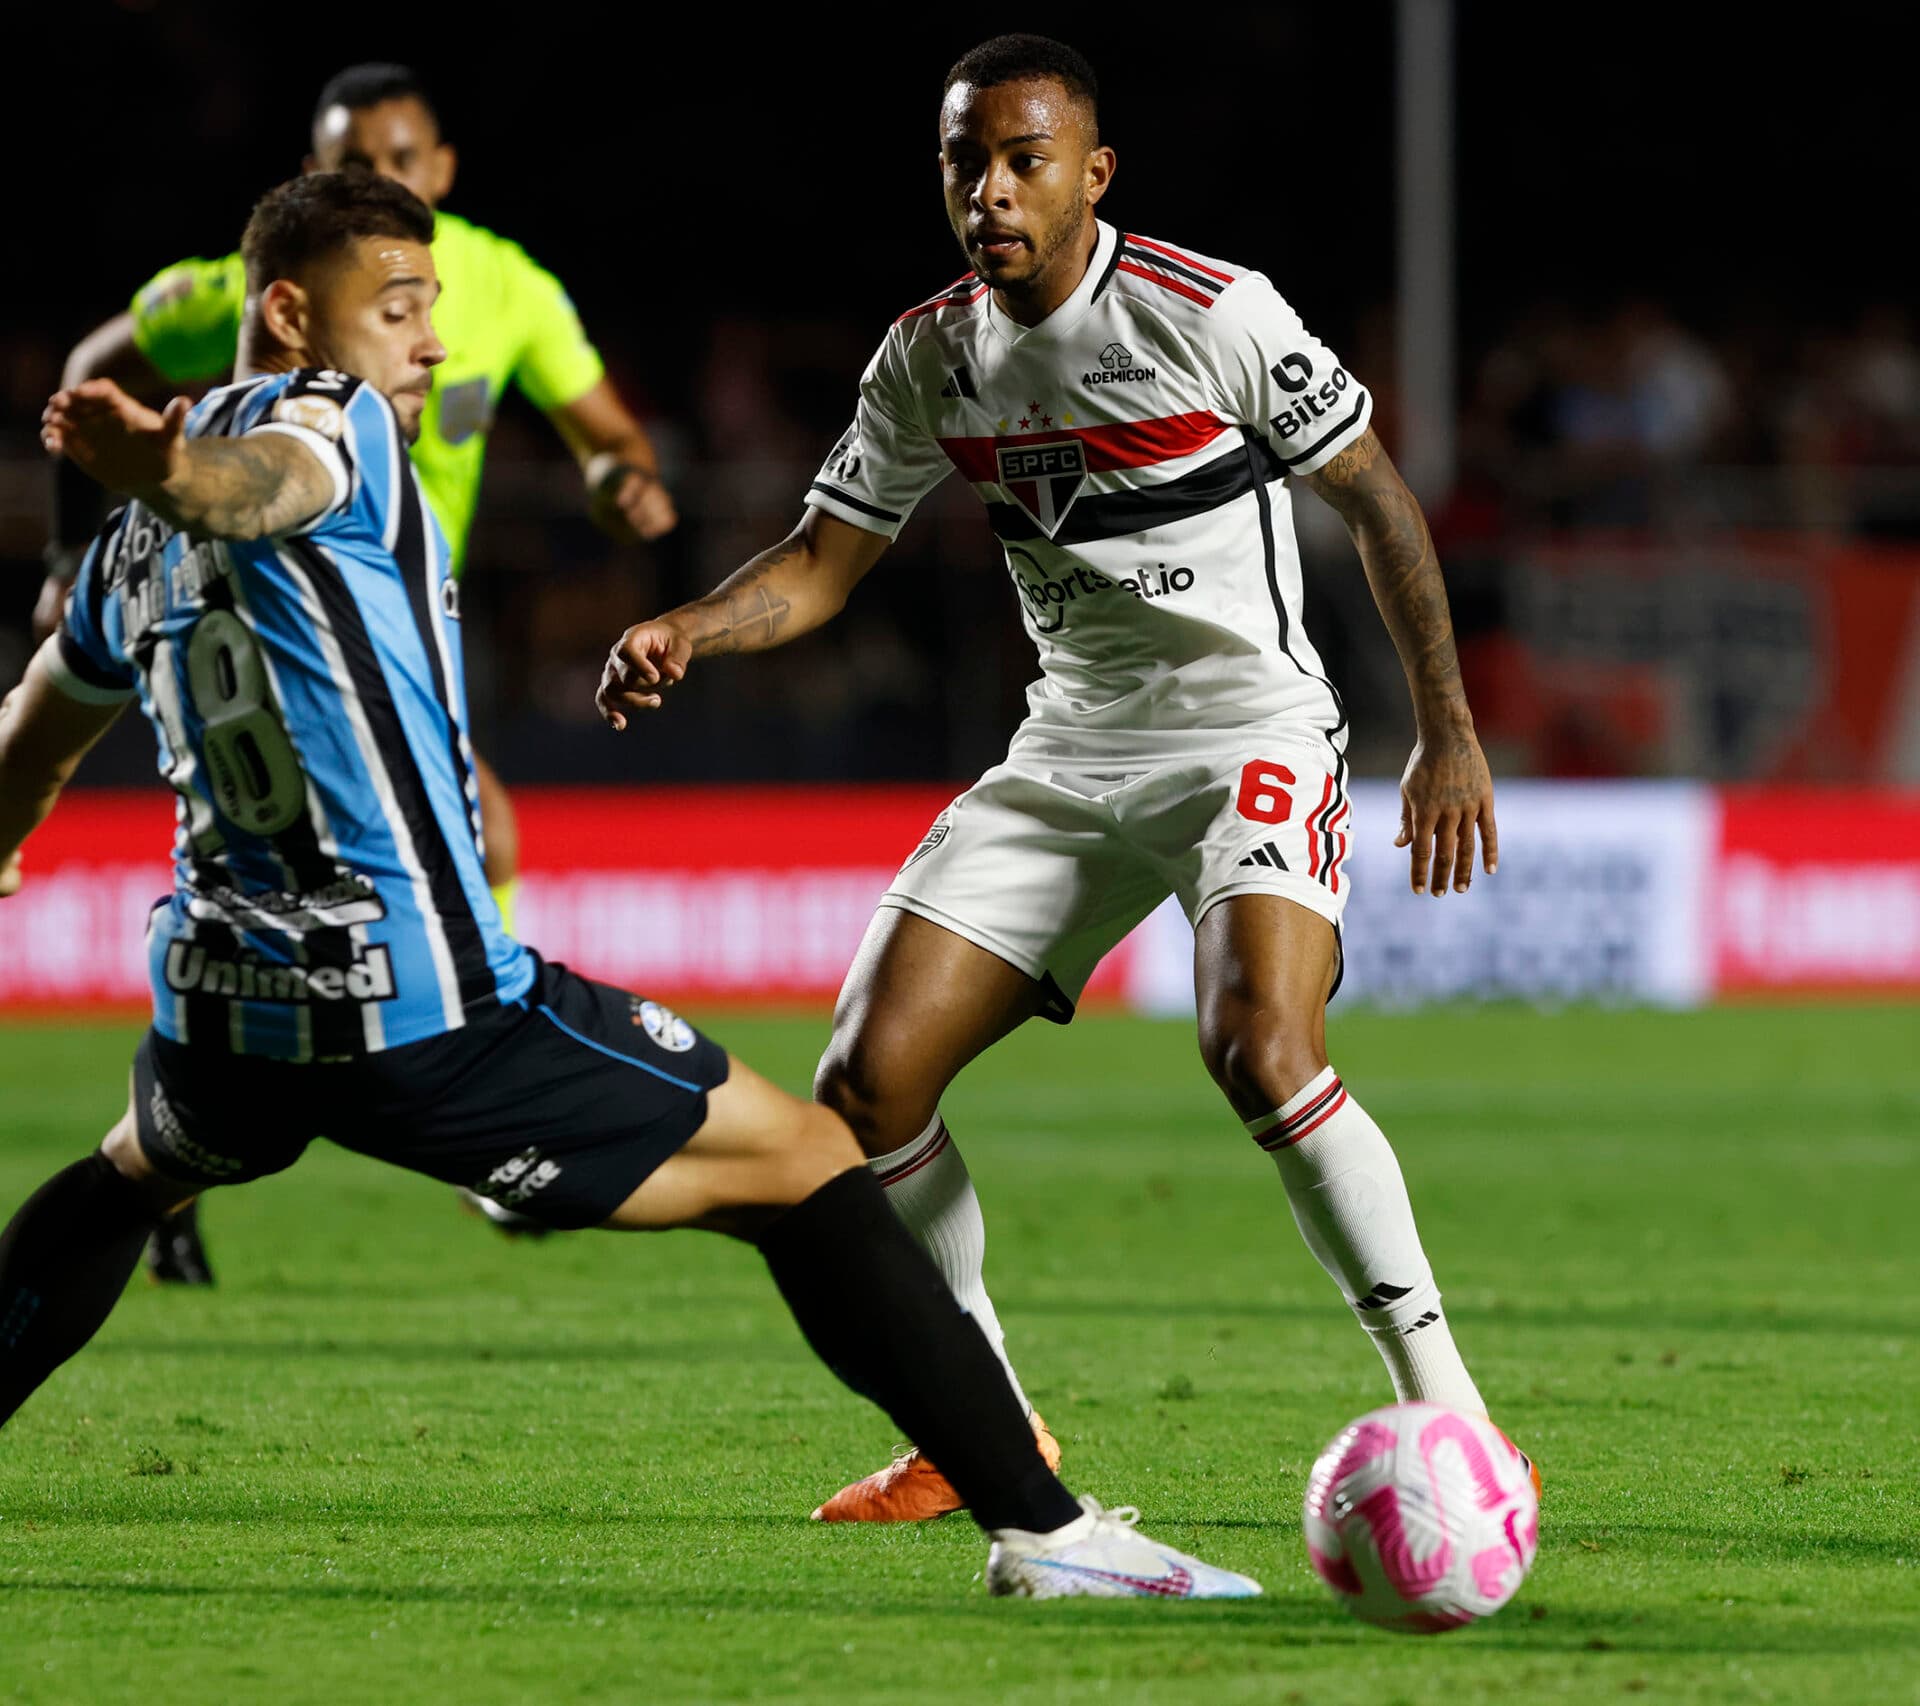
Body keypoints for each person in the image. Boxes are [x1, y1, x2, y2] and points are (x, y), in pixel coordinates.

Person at [0, 169, 1257, 1602]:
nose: (430, 348)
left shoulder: (117, 554)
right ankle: (1044, 1530)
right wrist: (177, 470)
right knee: (811, 1167)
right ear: (291, 316)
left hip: (223, 1007)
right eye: (398, 312)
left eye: (436, 314)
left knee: (135, 1171)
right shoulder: (325, 422)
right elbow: (266, 481)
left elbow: (28, 742)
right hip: (415, 1002)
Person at [598, 34, 1537, 1523]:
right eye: (963, 161)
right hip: (1072, 748)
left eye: (1022, 159)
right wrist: (692, 626)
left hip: (1249, 733)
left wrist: (1449, 726)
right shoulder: (928, 355)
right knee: (867, 1081)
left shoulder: (1209, 311)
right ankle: (993, 1424)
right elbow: (829, 559)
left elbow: (1375, 496)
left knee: (1260, 1049)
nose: (988, 191)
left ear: (1093, 174)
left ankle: (1458, 1420)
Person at [43, 62, 676, 1281]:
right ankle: (480, 1122)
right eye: (353, 156)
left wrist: (618, 481)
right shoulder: (268, 283)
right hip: (290, 615)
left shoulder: (505, 289)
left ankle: (178, 1141)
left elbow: (608, 435)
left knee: (341, 864)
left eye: (400, 157)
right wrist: (88, 540)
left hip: (408, 624)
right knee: (462, 832)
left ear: (440, 169)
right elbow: (99, 358)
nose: (383, 178)